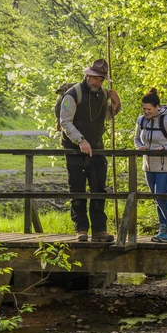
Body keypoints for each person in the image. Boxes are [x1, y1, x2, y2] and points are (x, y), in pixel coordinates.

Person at [59, 58, 122, 243]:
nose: (98, 82)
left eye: (101, 79)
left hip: (97, 148)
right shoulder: (72, 95)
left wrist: (117, 104)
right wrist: (80, 141)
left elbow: (108, 117)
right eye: (95, 78)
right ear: (87, 75)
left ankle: (100, 230)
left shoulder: (103, 94)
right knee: (78, 190)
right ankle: (81, 230)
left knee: (99, 189)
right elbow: (65, 122)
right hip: (74, 150)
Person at [135, 88, 167, 243]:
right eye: (144, 109)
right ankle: (163, 228)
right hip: (149, 165)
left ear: (157, 107)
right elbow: (137, 138)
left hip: (166, 164)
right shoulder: (141, 120)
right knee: (155, 198)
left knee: (161, 197)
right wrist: (139, 147)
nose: (146, 112)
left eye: (149, 109)